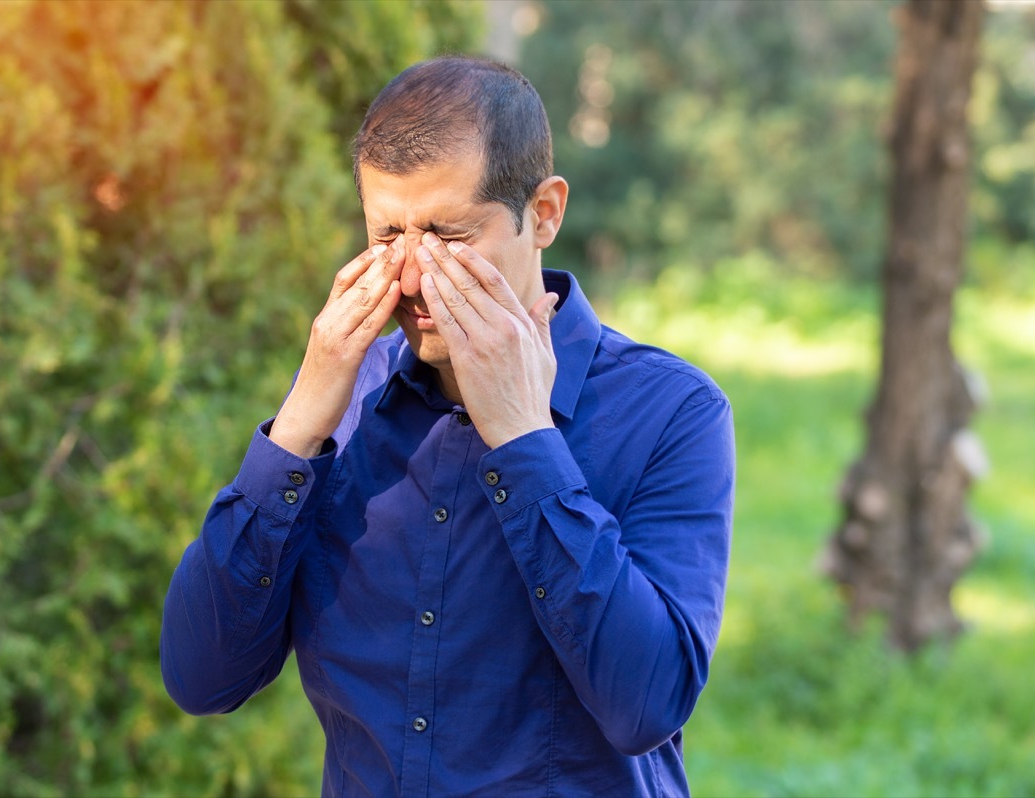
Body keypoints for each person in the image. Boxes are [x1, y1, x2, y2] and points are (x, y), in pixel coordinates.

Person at [161, 55, 734, 797]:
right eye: (387, 234)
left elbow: (648, 704)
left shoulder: (672, 412)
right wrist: (299, 424)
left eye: (449, 235)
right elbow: (202, 677)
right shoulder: (345, 405)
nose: (412, 275)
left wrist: (528, 444)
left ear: (546, 213)